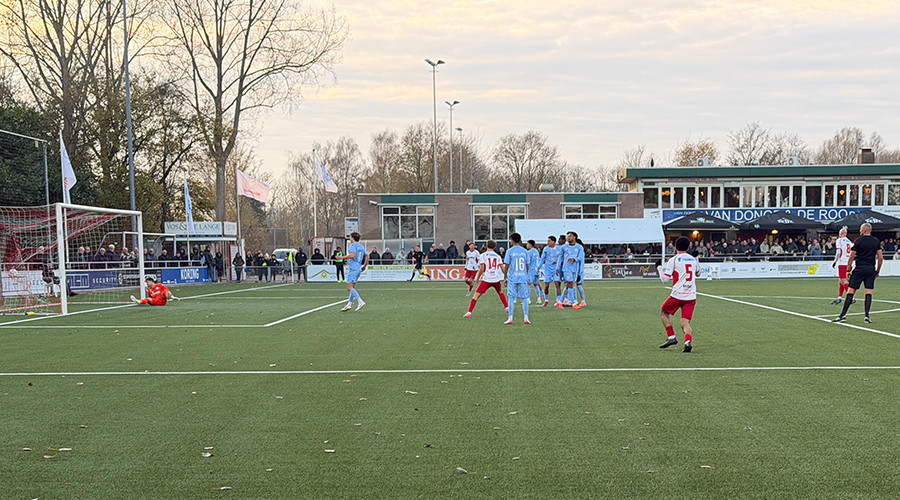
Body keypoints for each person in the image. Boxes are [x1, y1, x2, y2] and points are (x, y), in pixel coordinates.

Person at [656, 236, 700, 353]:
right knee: (685, 321)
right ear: (688, 247)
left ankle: (671, 336)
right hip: (691, 296)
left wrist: (659, 268)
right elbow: (698, 273)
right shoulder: (692, 259)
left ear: (675, 247)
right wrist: (696, 259)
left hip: (677, 295)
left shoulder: (674, 260)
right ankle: (687, 341)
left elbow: (665, 280)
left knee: (664, 312)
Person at [833, 223, 884, 324]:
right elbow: (880, 258)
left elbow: (851, 256)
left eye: (861, 229)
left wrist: (848, 270)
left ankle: (842, 315)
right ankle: (867, 316)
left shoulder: (858, 241)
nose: (860, 231)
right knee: (868, 292)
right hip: (870, 269)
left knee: (851, 291)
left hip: (860, 268)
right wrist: (877, 271)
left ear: (864, 230)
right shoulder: (875, 241)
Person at [464, 240, 508, 318]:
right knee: (500, 293)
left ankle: (469, 312)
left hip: (487, 279)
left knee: (476, 296)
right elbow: (502, 269)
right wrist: (505, 277)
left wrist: (478, 277)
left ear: (487, 245)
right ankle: (507, 308)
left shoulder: (483, 255)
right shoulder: (497, 256)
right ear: (495, 247)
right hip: (496, 279)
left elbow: (482, 268)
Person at [503, 233, 533, 325]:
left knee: (511, 298)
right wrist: (526, 275)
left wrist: (505, 277)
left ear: (512, 240)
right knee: (524, 298)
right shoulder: (525, 251)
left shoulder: (509, 251)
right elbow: (527, 265)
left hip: (513, 277)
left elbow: (506, 265)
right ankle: (526, 318)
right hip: (522, 277)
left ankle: (510, 318)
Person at [334, 232, 368, 311]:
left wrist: (341, 257)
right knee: (352, 287)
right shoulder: (361, 246)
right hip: (358, 268)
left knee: (349, 288)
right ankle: (349, 304)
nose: (350, 238)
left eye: (350, 237)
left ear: (352, 238)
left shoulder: (353, 245)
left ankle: (360, 301)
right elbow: (367, 255)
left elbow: (352, 255)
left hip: (353, 268)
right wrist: (365, 265)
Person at [558, 231, 585, 309]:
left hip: (575, 269)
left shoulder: (579, 247)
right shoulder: (564, 247)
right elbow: (560, 258)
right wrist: (557, 268)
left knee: (569, 285)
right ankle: (574, 303)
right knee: (570, 284)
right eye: (567, 236)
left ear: (574, 237)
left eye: (570, 236)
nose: (568, 237)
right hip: (566, 268)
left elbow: (580, 257)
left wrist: (574, 259)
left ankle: (560, 302)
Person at [830, 228, 853, 305]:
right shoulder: (849, 242)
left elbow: (838, 252)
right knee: (841, 281)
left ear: (840, 233)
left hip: (842, 262)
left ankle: (851, 298)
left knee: (844, 281)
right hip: (848, 263)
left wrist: (835, 261)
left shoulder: (839, 240)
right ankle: (839, 297)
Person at [540, 236, 561, 307]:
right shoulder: (546, 249)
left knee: (557, 284)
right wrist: (538, 267)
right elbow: (542, 259)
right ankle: (546, 300)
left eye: (549, 241)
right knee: (546, 285)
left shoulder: (559, 248)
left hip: (556, 269)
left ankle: (558, 300)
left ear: (553, 242)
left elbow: (562, 257)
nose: (548, 242)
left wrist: (557, 262)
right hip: (548, 269)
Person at [525, 240, 543, 305]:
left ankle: (528, 299)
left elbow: (528, 262)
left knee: (528, 284)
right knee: (536, 284)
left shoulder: (529, 252)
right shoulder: (536, 251)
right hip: (536, 270)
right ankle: (539, 299)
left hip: (531, 270)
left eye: (527, 244)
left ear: (530, 244)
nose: (527, 245)